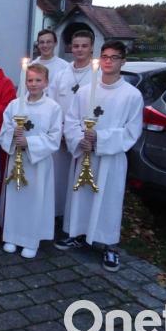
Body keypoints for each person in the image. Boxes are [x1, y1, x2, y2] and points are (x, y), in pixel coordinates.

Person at [55, 41, 143, 273]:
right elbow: (71, 120)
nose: (108, 61)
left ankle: (109, 246)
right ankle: (76, 233)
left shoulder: (131, 95)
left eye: (114, 57)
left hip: (110, 159)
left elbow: (132, 131)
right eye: (105, 56)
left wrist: (100, 138)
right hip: (85, 153)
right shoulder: (86, 92)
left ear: (123, 61)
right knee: (80, 195)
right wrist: (78, 139)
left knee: (108, 200)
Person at [0, 64, 63, 258]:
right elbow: (4, 130)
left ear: (46, 82)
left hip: (38, 164)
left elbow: (54, 137)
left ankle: (30, 240)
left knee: (34, 200)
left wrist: (29, 142)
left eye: (38, 80)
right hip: (16, 160)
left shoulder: (53, 107)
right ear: (24, 82)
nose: (33, 84)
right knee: (15, 198)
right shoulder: (14, 105)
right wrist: (12, 134)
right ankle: (11, 236)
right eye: (30, 80)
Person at [48, 29, 95, 218]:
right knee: (59, 177)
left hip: (84, 137)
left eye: (84, 46)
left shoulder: (97, 74)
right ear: (70, 48)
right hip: (61, 135)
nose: (80, 50)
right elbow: (51, 103)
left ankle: (76, 217)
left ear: (91, 48)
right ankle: (58, 213)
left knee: (80, 179)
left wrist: (82, 135)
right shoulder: (62, 74)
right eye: (76, 46)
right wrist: (58, 130)